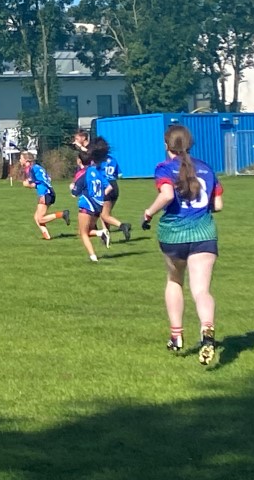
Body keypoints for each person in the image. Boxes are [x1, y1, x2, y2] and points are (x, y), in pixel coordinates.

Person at [143, 124, 223, 365]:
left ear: (166, 145)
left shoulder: (165, 168)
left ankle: (176, 336)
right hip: (204, 234)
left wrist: (149, 213)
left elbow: (167, 195)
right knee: (201, 290)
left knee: (175, 281)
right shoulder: (206, 168)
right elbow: (218, 205)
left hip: (174, 235)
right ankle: (207, 330)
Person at [70, 140, 113, 262]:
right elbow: (109, 187)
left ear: (80, 161)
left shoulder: (82, 174)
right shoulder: (96, 171)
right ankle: (101, 233)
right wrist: (99, 197)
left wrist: (72, 188)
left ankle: (93, 257)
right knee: (87, 231)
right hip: (98, 206)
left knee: (83, 233)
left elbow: (74, 193)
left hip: (87, 205)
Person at [20, 151, 69, 239]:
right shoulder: (38, 167)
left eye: (21, 158)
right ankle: (47, 236)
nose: (20, 160)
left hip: (45, 193)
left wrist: (27, 185)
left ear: (27, 160)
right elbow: (43, 180)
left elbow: (35, 183)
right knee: (36, 217)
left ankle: (62, 214)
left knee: (40, 219)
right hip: (48, 192)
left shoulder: (32, 169)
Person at [97, 139, 132, 242]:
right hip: (114, 185)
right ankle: (106, 236)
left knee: (104, 215)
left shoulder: (99, 161)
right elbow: (119, 175)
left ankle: (122, 225)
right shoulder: (113, 159)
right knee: (105, 213)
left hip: (105, 185)